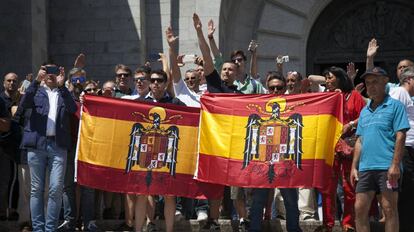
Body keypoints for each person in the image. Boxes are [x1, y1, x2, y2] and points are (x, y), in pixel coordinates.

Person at [350, 67, 409, 232]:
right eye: (368, 83)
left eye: (375, 82)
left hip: (386, 167)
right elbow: (360, 140)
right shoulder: (364, 111)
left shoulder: (395, 106)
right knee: (359, 210)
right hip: (366, 168)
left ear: (385, 82)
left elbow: (400, 136)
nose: (371, 86)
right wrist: (354, 167)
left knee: (389, 209)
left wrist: (395, 165)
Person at [20, 64, 77, 231]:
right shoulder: (36, 90)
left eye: (54, 72)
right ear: (42, 72)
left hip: (58, 146)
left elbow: (73, 109)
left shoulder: (63, 92)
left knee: (55, 189)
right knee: (36, 189)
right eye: (47, 71)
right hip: (37, 145)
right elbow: (24, 104)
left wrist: (62, 86)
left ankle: (50, 228)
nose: (50, 75)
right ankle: (38, 228)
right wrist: (37, 80)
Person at [315, 67, 365, 232]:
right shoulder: (326, 96)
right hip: (328, 148)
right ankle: (327, 224)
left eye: (330, 78)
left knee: (348, 188)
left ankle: (348, 223)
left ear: (340, 78)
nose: (327, 81)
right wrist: (333, 94)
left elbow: (364, 116)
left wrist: (350, 124)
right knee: (327, 188)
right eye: (325, 78)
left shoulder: (354, 96)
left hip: (348, 147)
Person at [134, 69, 185, 232]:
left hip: (166, 155)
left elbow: (191, 120)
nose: (156, 83)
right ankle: (138, 229)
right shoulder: (139, 103)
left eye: (160, 80)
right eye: (153, 80)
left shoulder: (175, 104)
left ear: (165, 83)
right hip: (145, 154)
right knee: (142, 193)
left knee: (170, 194)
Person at [389, 67, 414, 232]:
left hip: (409, 149)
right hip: (403, 150)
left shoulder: (408, 96)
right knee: (406, 194)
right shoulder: (399, 92)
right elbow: (389, 115)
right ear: (409, 79)